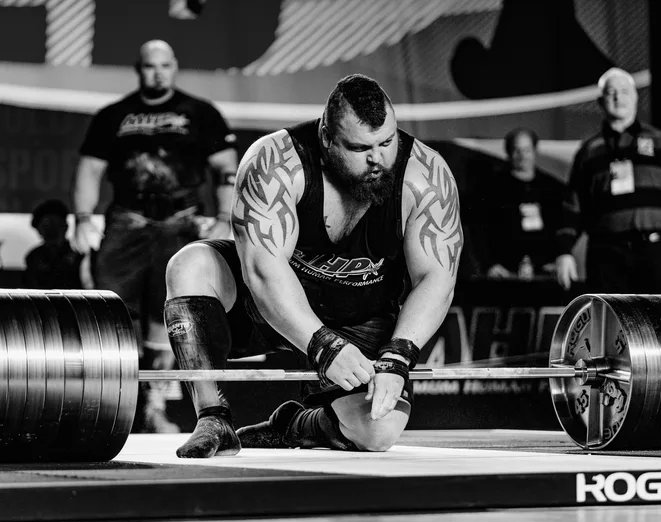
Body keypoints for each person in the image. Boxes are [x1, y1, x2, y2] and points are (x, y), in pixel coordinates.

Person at [163, 74, 464, 458]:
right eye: (359, 148)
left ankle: (292, 424)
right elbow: (263, 271)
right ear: (326, 137)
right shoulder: (275, 162)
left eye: (387, 142)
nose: (377, 159)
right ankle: (213, 417)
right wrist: (321, 344)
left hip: (361, 316)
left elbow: (437, 277)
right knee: (189, 265)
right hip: (272, 304)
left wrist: (398, 356)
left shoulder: (426, 175)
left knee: (379, 430)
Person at [72, 40, 239, 433]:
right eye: (150, 66)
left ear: (175, 66)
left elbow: (227, 168)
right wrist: (82, 217)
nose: (158, 72)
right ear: (138, 68)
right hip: (127, 225)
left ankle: (155, 408)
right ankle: (107, 409)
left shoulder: (201, 113)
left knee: (172, 316)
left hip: (180, 224)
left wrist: (224, 218)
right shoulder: (113, 115)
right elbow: (90, 170)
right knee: (109, 315)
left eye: (165, 65)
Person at [556, 68, 661, 293]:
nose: (618, 97)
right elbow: (572, 207)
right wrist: (564, 251)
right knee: (609, 324)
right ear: (600, 101)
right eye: (611, 92)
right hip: (605, 256)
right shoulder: (588, 151)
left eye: (625, 91)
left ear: (636, 97)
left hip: (655, 254)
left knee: (659, 323)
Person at [472, 128, 564, 280]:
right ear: (508, 152)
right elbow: (479, 229)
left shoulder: (552, 187)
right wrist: (489, 264)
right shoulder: (493, 187)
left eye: (527, 150)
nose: (522, 156)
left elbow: (563, 226)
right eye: (517, 150)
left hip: (545, 274)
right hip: (505, 274)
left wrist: (559, 257)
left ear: (535, 151)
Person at [24, 199, 92, 290]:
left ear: (65, 226)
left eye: (56, 223)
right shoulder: (34, 256)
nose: (51, 229)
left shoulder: (79, 254)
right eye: (46, 225)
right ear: (39, 229)